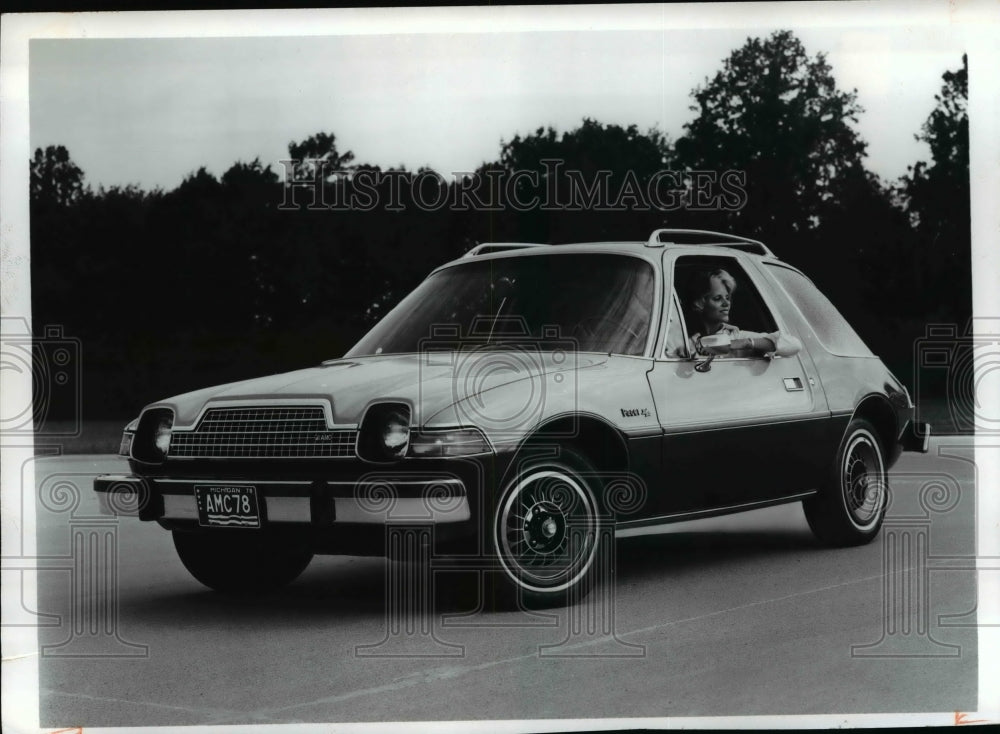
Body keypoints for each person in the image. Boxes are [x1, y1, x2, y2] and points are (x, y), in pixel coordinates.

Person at [675, 268, 799, 359]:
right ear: (699, 303)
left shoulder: (736, 336)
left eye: (728, 298)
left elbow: (794, 344)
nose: (726, 303)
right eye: (717, 298)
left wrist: (742, 343)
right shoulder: (686, 340)